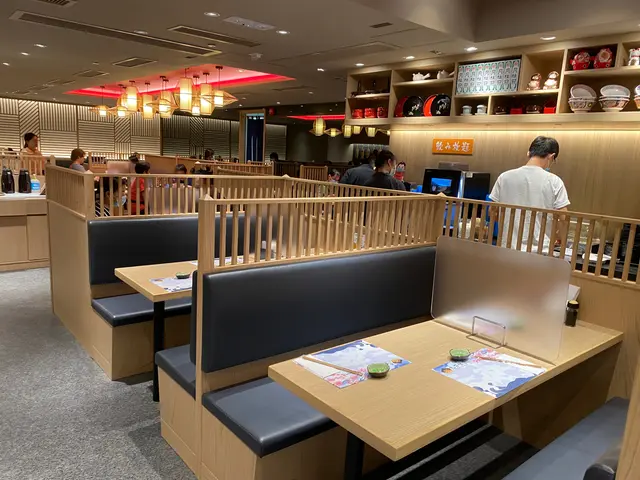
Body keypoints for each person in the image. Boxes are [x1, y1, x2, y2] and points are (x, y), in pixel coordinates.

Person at [489, 136, 570, 252]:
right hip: (540, 251)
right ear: (551, 156)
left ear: (528, 153)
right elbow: (563, 217)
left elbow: (492, 212)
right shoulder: (554, 181)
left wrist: (509, 223)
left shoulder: (504, 177)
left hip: (507, 248)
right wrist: (561, 238)